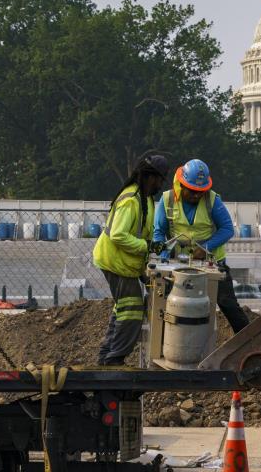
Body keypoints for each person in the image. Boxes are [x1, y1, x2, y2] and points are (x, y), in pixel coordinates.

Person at [153, 159, 250, 333]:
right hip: (178, 263)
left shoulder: (212, 200)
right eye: (192, 191)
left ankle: (249, 341)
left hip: (212, 262)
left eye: (201, 191)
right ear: (181, 185)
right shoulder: (167, 199)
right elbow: (158, 231)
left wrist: (206, 247)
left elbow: (227, 229)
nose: (197, 195)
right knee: (170, 305)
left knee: (228, 304)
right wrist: (164, 257)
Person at [94, 155, 170, 366]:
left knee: (124, 308)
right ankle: (114, 359)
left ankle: (107, 356)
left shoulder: (144, 199)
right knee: (132, 310)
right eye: (160, 180)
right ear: (150, 177)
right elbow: (118, 234)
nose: (161, 185)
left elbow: (140, 233)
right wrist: (147, 246)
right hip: (115, 263)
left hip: (124, 264)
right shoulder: (131, 199)